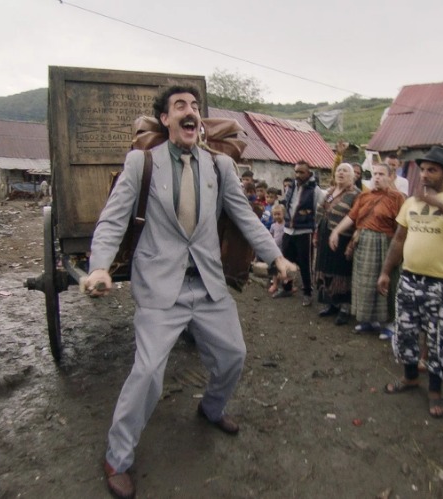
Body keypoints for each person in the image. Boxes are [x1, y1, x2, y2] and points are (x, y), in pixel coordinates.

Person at [83, 85, 295, 499]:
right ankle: (117, 457)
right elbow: (113, 219)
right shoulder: (142, 162)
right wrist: (99, 267)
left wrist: (277, 257)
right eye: (180, 105)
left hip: (208, 283)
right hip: (160, 287)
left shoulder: (219, 166)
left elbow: (246, 218)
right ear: (165, 119)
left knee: (233, 355)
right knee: (147, 373)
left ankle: (211, 408)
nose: (190, 111)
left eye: (195, 106)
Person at [377, 147, 443, 418]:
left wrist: (438, 204)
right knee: (405, 333)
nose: (424, 174)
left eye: (431, 170)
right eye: (422, 170)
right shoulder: (412, 201)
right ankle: (410, 377)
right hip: (409, 279)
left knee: (438, 338)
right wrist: (386, 271)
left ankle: (435, 390)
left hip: (442, 284)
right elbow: (399, 239)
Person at [330, 163, 405, 335]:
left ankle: (389, 323)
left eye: (381, 174)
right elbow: (351, 217)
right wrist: (336, 231)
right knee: (364, 284)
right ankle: (369, 321)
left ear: (391, 177)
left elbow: (401, 227)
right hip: (363, 243)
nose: (377, 177)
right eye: (374, 174)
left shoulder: (397, 198)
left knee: (386, 282)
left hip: (385, 244)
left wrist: (398, 251)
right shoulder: (364, 196)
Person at [314, 163, 361, 325]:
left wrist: (352, 243)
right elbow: (321, 213)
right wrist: (317, 234)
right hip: (325, 235)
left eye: (345, 171)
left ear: (352, 176)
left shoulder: (356, 195)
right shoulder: (330, 192)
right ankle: (332, 304)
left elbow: (357, 219)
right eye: (339, 170)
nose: (341, 173)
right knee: (326, 268)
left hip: (343, 238)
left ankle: (344, 308)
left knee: (342, 272)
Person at [274, 160, 324, 307]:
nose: (298, 175)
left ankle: (307, 293)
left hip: (304, 231)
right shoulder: (291, 186)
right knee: (286, 260)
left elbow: (321, 208)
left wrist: (314, 224)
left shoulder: (315, 190)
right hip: (288, 230)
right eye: (296, 171)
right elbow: (287, 204)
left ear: (308, 173)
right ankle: (287, 288)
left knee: (305, 264)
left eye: (301, 172)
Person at [268, 204, 288, 294]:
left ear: (283, 214)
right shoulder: (273, 226)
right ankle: (275, 284)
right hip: (275, 250)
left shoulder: (286, 225)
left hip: (284, 250)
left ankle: (287, 285)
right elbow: (271, 236)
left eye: (279, 214)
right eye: (275, 214)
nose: (276, 216)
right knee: (275, 268)